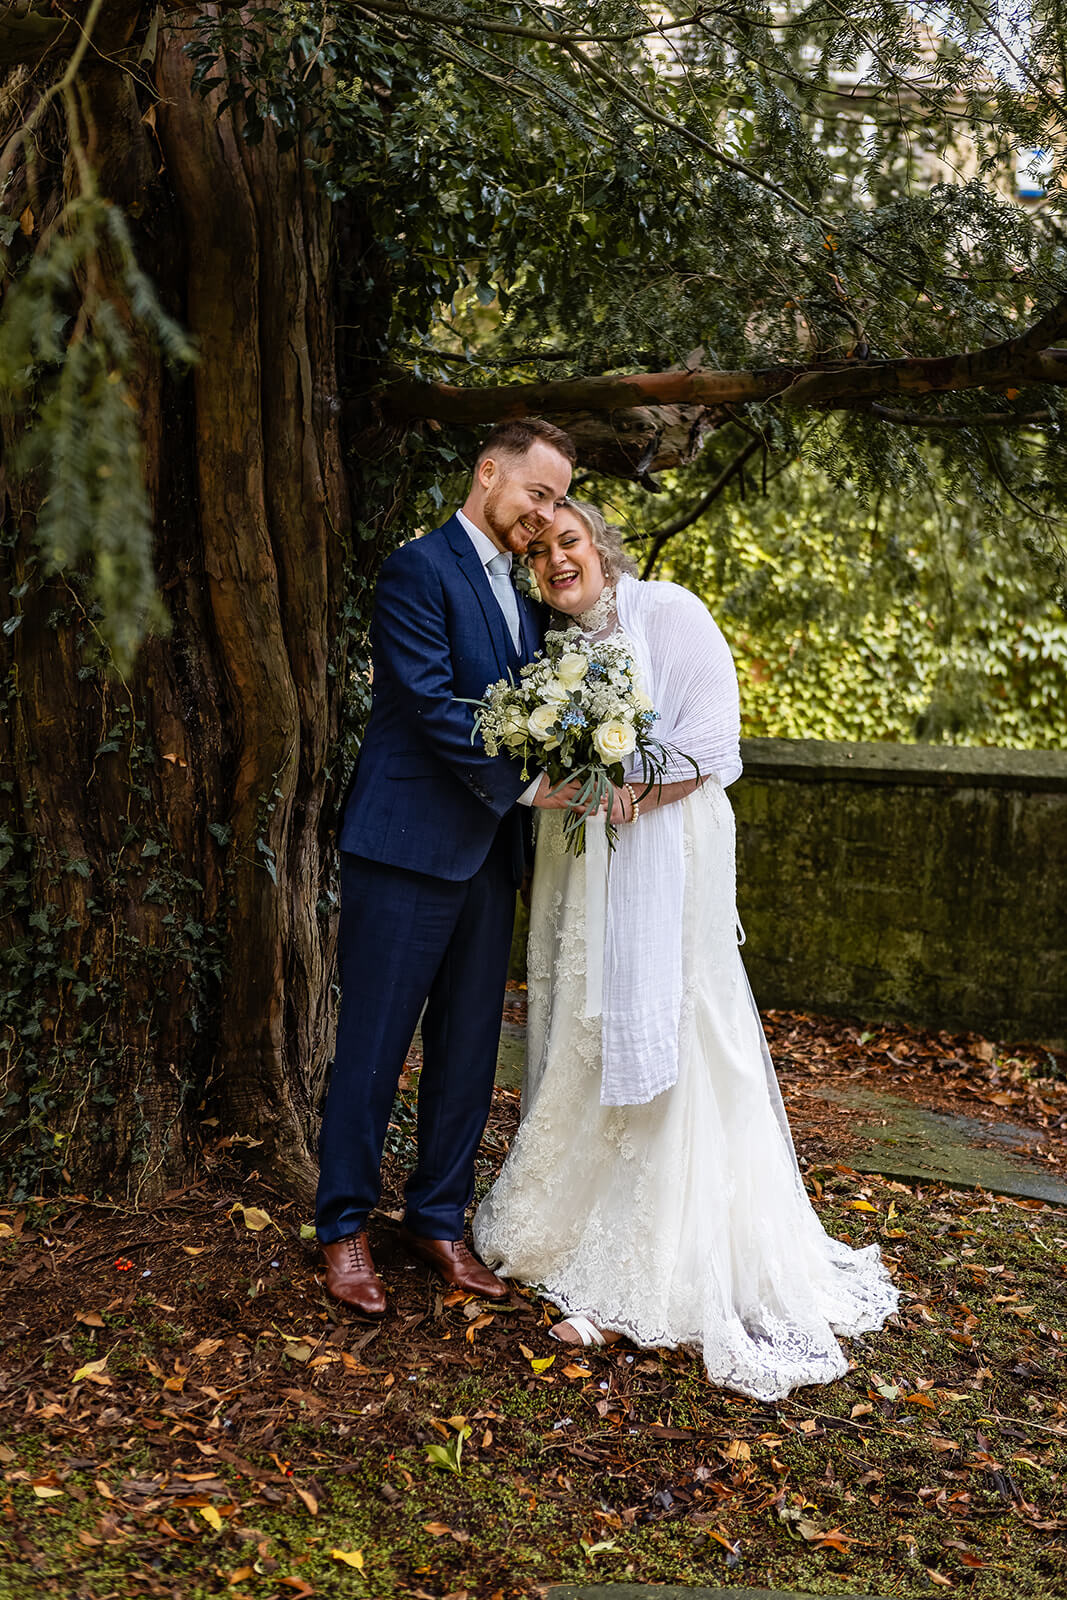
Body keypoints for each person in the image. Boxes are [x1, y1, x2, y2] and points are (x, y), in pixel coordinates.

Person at [473, 499, 899, 1400]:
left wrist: (630, 795)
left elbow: (711, 742)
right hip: (585, 863)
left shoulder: (668, 611)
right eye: (539, 553)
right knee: (586, 1020)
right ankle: (575, 1223)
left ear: (600, 546)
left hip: (664, 853)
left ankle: (651, 1266)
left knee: (673, 1019)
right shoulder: (553, 651)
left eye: (568, 542)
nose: (556, 561)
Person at [315, 418, 579, 1316]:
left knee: (467, 1053)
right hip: (405, 845)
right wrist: (529, 786)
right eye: (535, 493)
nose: (543, 514)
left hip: (490, 857)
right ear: (488, 472)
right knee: (374, 1049)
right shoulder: (417, 569)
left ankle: (435, 1220)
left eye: (556, 501)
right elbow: (429, 701)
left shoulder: (528, 593)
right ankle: (343, 1227)